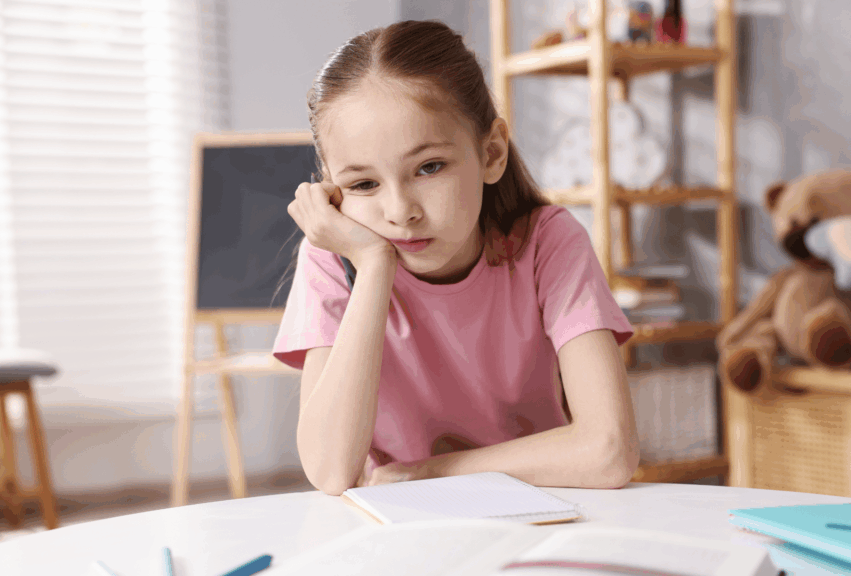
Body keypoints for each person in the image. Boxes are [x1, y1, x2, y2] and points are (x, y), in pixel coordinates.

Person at [272, 19, 638, 496]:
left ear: (491, 153)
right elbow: (330, 471)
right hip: (400, 526)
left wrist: (428, 471)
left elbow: (609, 452)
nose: (401, 212)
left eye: (429, 167)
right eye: (364, 184)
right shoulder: (334, 259)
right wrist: (375, 264)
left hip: (539, 505)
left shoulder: (548, 242)